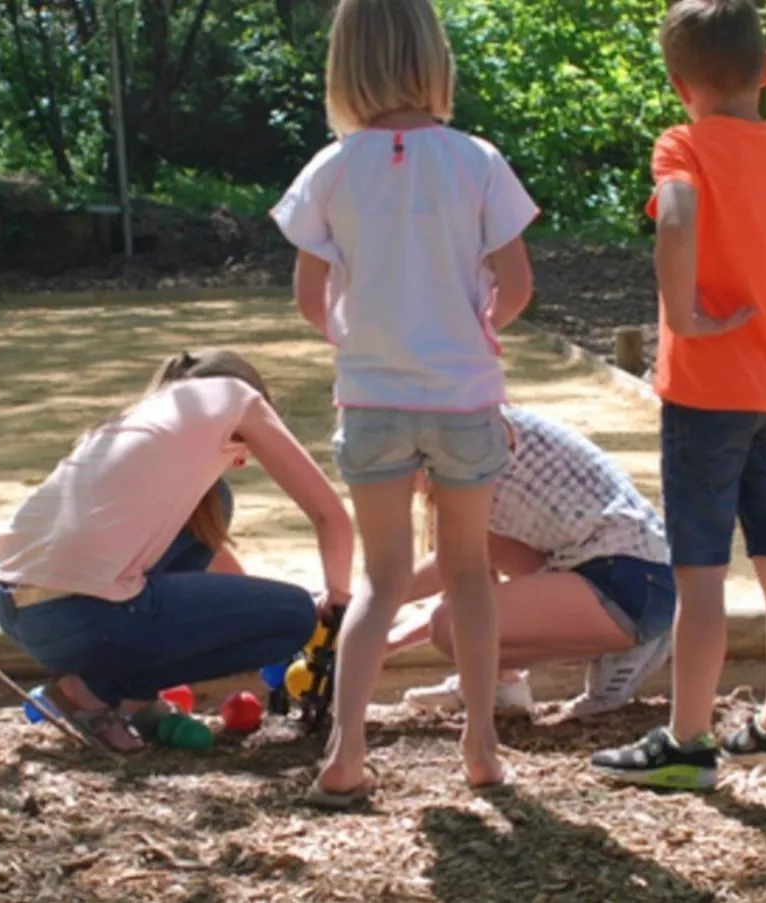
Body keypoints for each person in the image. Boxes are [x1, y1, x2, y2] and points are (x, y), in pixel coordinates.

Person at [271, 0, 538, 807]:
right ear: (435, 58)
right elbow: (519, 287)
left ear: (345, 66)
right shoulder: (478, 160)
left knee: (382, 578)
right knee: (469, 571)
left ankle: (347, 752)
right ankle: (482, 747)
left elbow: (310, 298)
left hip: (374, 397)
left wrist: (355, 341)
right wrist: (474, 329)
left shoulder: (331, 168)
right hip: (463, 397)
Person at [590, 0, 766, 790]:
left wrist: (686, 312)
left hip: (704, 396)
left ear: (676, 83)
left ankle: (688, 740)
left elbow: (678, 215)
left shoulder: (682, 143)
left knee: (700, 575)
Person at [0, 349, 356, 753]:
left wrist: (254, 614)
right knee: (293, 617)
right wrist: (334, 601)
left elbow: (217, 568)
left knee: (216, 500)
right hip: (82, 615)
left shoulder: (147, 422)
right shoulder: (239, 399)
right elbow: (329, 516)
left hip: (15, 608)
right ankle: (95, 691)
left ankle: (132, 700)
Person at [385, 405, 675, 717]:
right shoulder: (463, 443)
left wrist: (371, 619)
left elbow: (449, 573)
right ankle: (501, 686)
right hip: (627, 574)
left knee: (453, 626)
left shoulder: (472, 451)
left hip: (630, 579)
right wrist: (383, 634)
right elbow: (462, 569)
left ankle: (625, 646)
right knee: (472, 573)